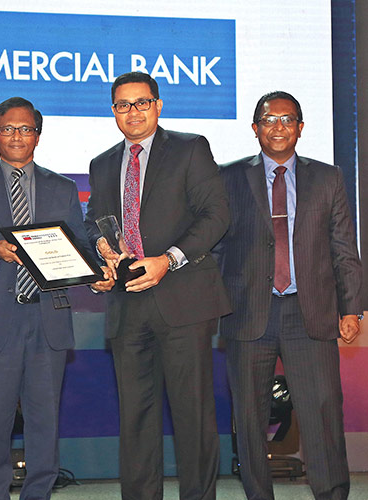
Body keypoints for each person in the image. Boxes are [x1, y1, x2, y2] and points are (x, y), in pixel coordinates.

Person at [0, 97, 113, 500]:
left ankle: (38, 494)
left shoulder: (63, 188)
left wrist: (96, 278)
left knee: (44, 424)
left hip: (47, 320)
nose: (17, 136)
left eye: (25, 129)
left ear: (38, 135)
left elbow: (78, 248)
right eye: (8, 129)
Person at [84, 72, 231, 500]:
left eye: (141, 102)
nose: (133, 112)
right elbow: (93, 220)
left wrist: (168, 260)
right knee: (135, 420)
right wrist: (101, 247)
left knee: (193, 418)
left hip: (184, 300)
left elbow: (216, 215)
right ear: (113, 111)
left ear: (158, 105)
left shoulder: (190, 148)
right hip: (128, 305)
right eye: (123, 105)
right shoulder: (102, 163)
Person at [215, 91, 363, 500]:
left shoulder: (328, 178)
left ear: (300, 127)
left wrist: (352, 309)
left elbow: (344, 249)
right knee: (249, 417)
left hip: (309, 311)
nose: (278, 127)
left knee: (322, 412)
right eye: (269, 119)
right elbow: (216, 249)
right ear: (255, 128)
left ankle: (331, 494)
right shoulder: (228, 177)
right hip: (248, 312)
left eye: (287, 119)